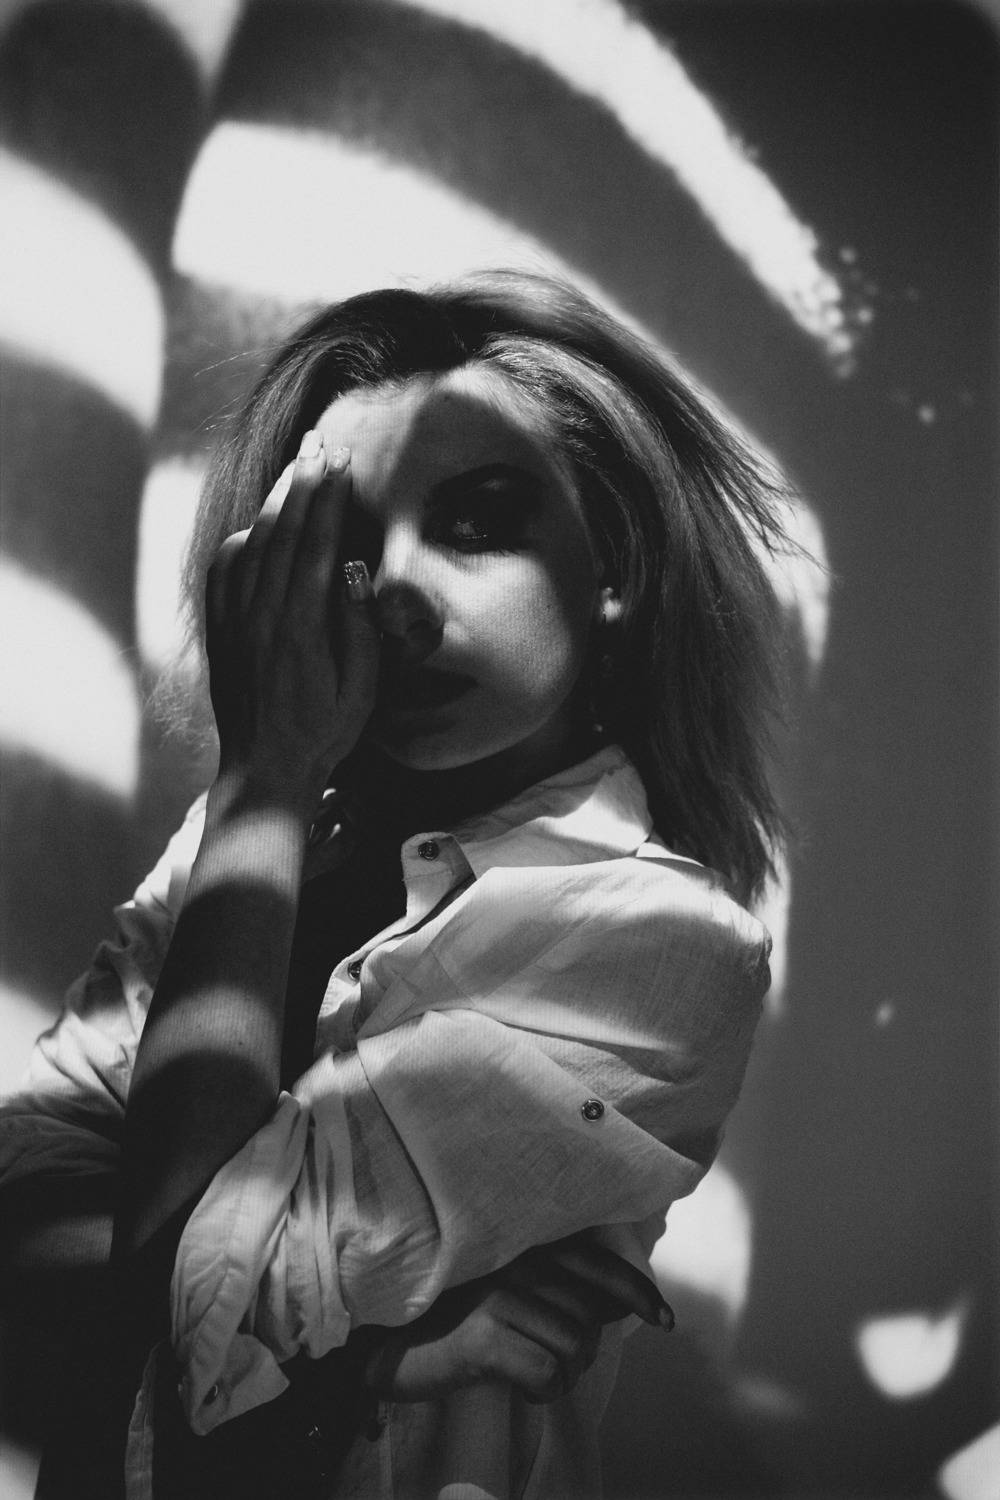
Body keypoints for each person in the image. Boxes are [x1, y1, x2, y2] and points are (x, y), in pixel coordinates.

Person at [0, 270, 786, 1499]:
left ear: (614, 565)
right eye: (348, 547)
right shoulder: (243, 844)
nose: (400, 594)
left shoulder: (659, 938)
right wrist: (370, 1354)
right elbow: (20, 1231)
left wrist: (263, 782)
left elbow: (195, 1301)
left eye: (475, 525)